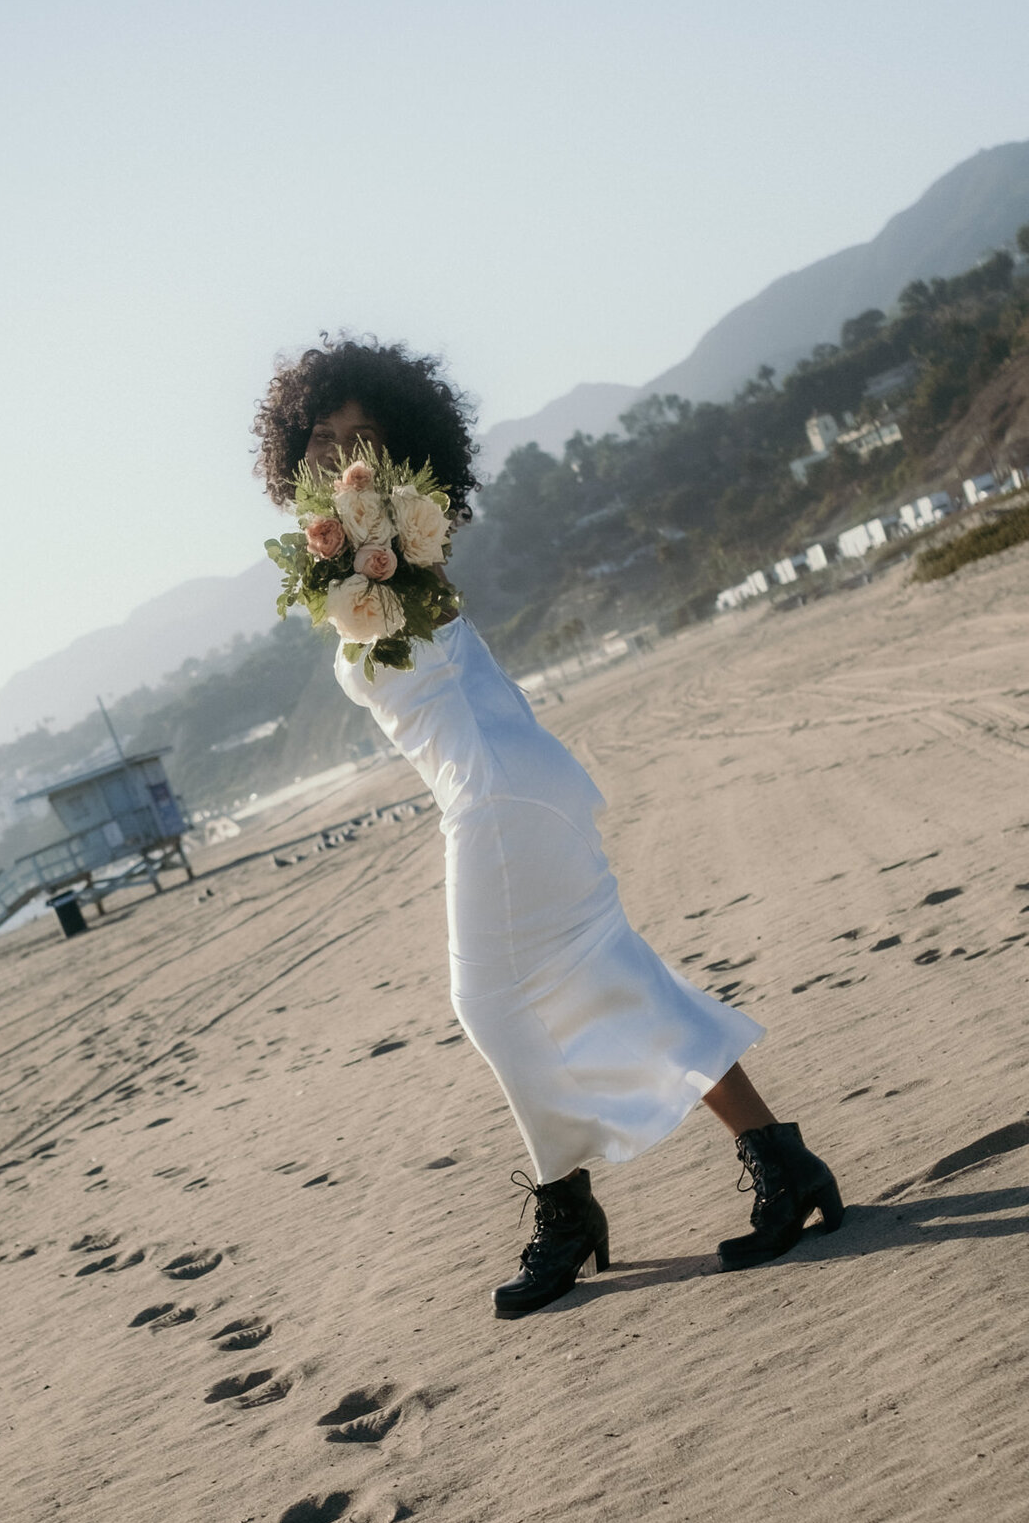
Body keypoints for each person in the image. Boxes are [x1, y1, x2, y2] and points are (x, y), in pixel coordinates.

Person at [253, 336, 842, 1318]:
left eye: (364, 438)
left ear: (400, 449)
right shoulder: (377, 557)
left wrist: (365, 549)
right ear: (295, 453)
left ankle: (567, 1213)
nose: (343, 458)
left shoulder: (394, 551)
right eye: (323, 440)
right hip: (523, 780)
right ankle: (783, 1162)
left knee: (492, 1004)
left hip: (491, 795)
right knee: (616, 976)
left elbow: (405, 621)